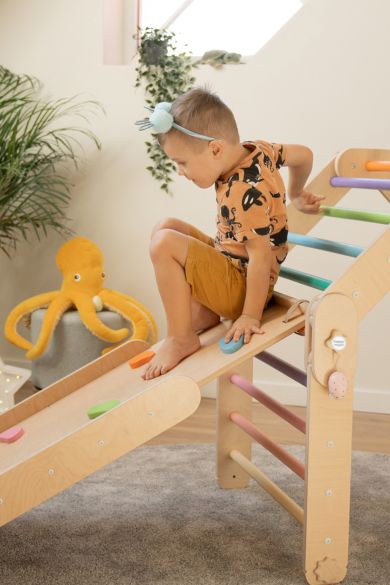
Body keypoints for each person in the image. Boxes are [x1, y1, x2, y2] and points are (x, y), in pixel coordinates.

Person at [136, 88, 324, 380]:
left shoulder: (242, 191)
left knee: (164, 243)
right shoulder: (258, 149)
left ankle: (181, 337)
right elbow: (304, 155)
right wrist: (297, 193)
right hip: (231, 263)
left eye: (182, 162)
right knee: (166, 226)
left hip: (243, 285)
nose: (180, 171)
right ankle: (201, 314)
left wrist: (249, 315)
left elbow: (260, 258)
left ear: (215, 149)